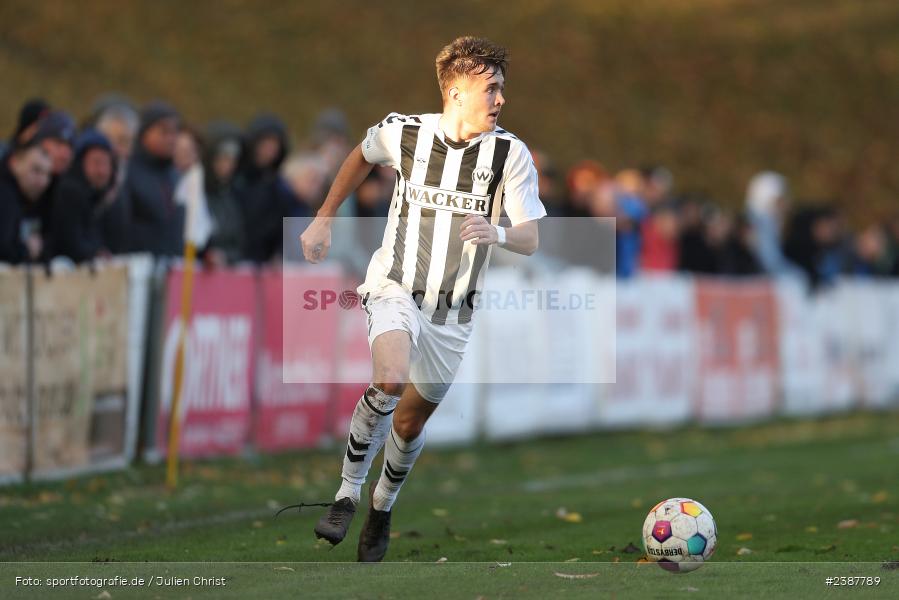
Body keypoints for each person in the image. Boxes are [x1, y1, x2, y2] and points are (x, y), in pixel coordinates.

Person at [298, 36, 545, 562]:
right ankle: (345, 496)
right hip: (395, 286)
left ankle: (381, 509)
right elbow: (359, 157)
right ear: (456, 92)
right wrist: (323, 216)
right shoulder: (404, 132)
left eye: (502, 88)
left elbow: (530, 238)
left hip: (452, 314)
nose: (500, 100)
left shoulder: (511, 154)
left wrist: (497, 232)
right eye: (491, 88)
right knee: (388, 378)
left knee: (408, 424)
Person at [124, 101, 184, 256]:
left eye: (174, 132)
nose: (171, 139)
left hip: (174, 266)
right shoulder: (128, 172)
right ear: (144, 133)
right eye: (164, 132)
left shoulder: (175, 175)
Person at [49, 130, 116, 263]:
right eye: (96, 163)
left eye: (106, 164)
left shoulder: (96, 195)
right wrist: (95, 254)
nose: (102, 171)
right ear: (80, 163)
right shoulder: (71, 192)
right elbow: (72, 244)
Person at [0, 143, 52, 264]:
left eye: (47, 174)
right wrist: (26, 249)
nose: (42, 181)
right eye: (36, 170)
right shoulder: (5, 195)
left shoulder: (25, 198)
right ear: (14, 163)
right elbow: (3, 248)